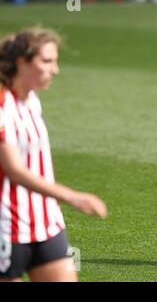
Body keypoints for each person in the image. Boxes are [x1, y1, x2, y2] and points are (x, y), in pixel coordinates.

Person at [0, 27, 107, 282]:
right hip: (8, 230)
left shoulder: (32, 100)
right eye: (46, 61)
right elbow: (14, 170)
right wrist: (73, 197)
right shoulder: (3, 106)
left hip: (48, 225)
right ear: (21, 62)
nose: (55, 70)